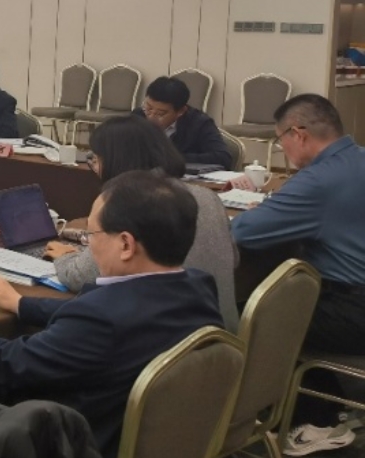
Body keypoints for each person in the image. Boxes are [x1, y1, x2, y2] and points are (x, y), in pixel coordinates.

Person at [0, 171, 223, 458]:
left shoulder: (101, 320)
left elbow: (7, 362)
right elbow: (107, 311)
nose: (88, 245)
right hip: (162, 456)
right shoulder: (198, 287)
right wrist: (20, 304)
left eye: (91, 235)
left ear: (126, 245)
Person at [231, 94, 365, 450]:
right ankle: (330, 405)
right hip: (354, 301)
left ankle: (316, 422)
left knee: (252, 316)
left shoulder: (318, 181)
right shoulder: (358, 159)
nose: (283, 148)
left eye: (281, 140)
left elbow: (242, 233)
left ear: (298, 134)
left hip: (354, 310)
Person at [45, 115, 238, 330]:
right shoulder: (208, 196)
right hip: (221, 334)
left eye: (96, 160)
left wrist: (65, 256)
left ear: (116, 160)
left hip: (168, 337)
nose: (96, 169)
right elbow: (234, 258)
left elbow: (80, 277)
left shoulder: (130, 203)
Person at [139, 75, 233, 170]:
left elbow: (223, 158)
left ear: (181, 111)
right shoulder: (138, 115)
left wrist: (172, 158)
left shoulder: (199, 123)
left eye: (160, 113)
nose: (151, 117)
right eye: (148, 108)